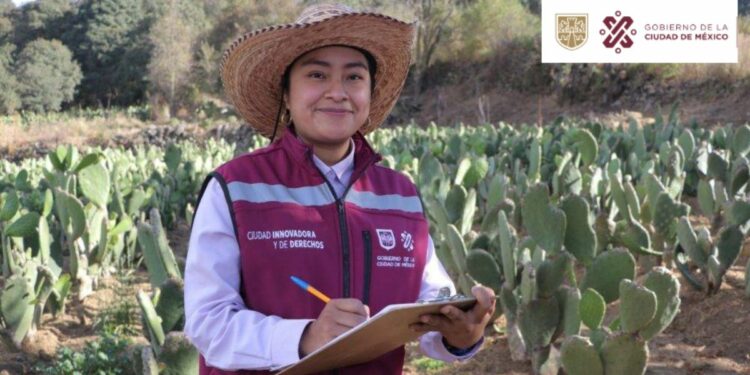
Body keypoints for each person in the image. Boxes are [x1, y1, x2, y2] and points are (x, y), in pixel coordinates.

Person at [184, 4, 496, 374]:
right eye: (317, 74)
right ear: (286, 93)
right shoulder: (236, 187)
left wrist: (459, 334)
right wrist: (304, 337)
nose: (337, 92)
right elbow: (207, 324)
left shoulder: (399, 194)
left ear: (369, 92)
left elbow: (430, 303)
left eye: (354, 77)